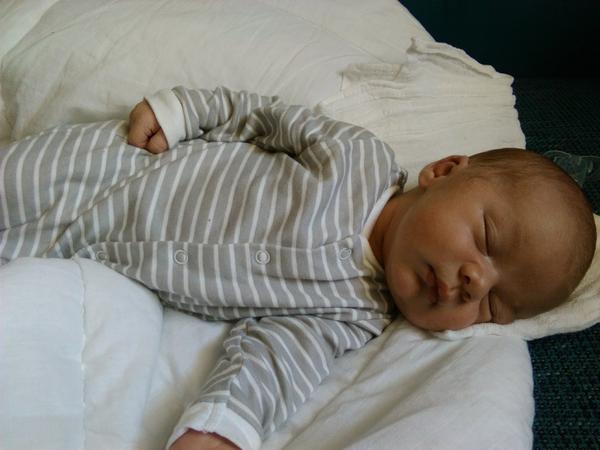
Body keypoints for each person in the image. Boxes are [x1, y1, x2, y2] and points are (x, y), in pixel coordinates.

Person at [0, 86, 596, 450]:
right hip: (106, 168)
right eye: (487, 239)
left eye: (493, 306)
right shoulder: (359, 158)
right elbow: (263, 116)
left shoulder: (356, 313)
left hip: (91, 254)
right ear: (442, 172)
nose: (474, 281)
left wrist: (220, 428)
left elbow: (276, 358)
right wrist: (183, 110)